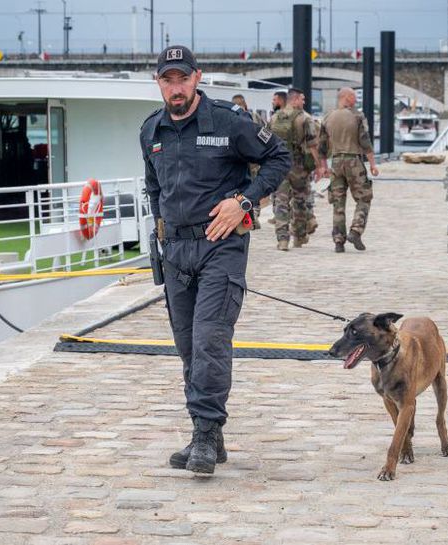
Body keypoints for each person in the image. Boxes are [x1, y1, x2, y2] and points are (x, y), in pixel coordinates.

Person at [140, 45, 291, 475]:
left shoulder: (229, 121)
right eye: (168, 80)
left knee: (209, 340)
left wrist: (244, 202)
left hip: (220, 245)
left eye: (182, 79)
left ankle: (204, 433)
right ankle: (210, 436)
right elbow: (155, 188)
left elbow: (279, 158)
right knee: (188, 347)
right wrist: (161, 230)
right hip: (176, 253)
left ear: (197, 78)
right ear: (159, 83)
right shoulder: (151, 131)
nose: (176, 87)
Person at [319, 87, 379, 253]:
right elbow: (365, 142)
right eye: (353, 96)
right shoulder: (356, 116)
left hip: (336, 163)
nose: (355, 99)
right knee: (364, 197)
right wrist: (373, 164)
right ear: (345, 97)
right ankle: (356, 231)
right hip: (353, 161)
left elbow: (322, 147)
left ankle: (339, 241)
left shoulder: (328, 117)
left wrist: (324, 167)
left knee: (338, 202)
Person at [268, 88, 327, 250]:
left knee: (280, 202)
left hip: (279, 165)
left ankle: (282, 239)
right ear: (294, 100)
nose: (303, 102)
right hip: (298, 166)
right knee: (300, 201)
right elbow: (313, 145)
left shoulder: (274, 118)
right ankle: (299, 237)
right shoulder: (304, 118)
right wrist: (319, 166)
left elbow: (266, 142)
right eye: (302, 99)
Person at [232, 94, 265, 230]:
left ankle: (247, 215)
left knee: (241, 188)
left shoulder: (229, 117)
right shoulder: (254, 116)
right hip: (253, 158)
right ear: (245, 104)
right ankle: (255, 213)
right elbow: (264, 134)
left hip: (237, 160)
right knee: (254, 186)